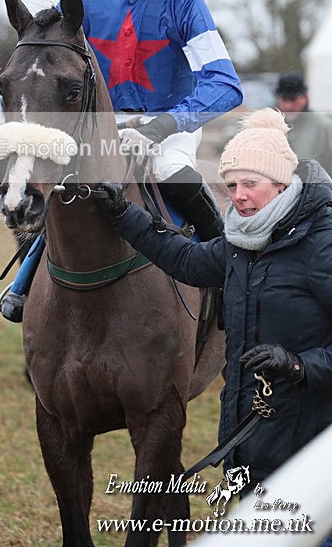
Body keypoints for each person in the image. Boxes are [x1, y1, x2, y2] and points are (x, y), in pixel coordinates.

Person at [0, 0, 243, 323]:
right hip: (99, 129)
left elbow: (225, 84)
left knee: (173, 171)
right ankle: (26, 279)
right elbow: (51, 67)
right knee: (59, 181)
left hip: (166, 126)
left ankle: (233, 283)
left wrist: (163, 126)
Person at [96, 108, 332, 503]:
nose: (238, 196)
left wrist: (297, 366)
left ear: (281, 182)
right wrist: (124, 215)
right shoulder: (243, 239)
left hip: (311, 444)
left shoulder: (321, 244)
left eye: (251, 183)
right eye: (231, 183)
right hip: (252, 432)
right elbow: (186, 260)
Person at [275, 71, 332, 176]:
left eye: (293, 99)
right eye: (284, 99)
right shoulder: (269, 125)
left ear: (305, 98)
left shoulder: (324, 127)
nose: (288, 106)